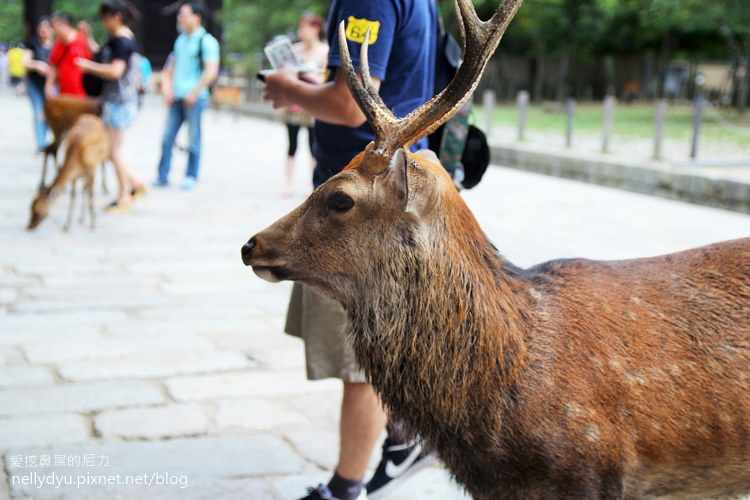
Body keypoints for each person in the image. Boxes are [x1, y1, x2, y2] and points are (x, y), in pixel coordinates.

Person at [263, 1, 438, 499]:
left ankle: (346, 488)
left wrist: (287, 88)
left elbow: (350, 104)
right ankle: (405, 434)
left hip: (361, 209)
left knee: (363, 359)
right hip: (394, 188)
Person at [75, 0, 148, 211]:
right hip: (118, 102)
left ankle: (125, 194)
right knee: (111, 150)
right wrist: (88, 38)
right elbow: (105, 55)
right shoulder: (121, 40)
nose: (103, 21)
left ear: (116, 16)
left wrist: (87, 66)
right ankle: (135, 184)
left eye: (105, 16)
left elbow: (115, 70)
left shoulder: (122, 41)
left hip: (119, 102)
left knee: (112, 151)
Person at [152, 1, 219, 190]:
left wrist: (194, 92)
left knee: (194, 139)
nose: (180, 18)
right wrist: (167, 90)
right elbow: (169, 68)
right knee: (167, 137)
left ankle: (191, 175)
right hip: (177, 97)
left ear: (197, 17)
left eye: (184, 14)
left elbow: (210, 72)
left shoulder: (207, 42)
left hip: (195, 99)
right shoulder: (180, 40)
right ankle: (162, 175)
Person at [278, 12, 328, 196]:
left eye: (304, 27)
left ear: (315, 28)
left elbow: (326, 78)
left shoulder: (324, 51)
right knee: (291, 145)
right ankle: (288, 183)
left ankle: (311, 184)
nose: (301, 31)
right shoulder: (294, 50)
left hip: (312, 106)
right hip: (294, 104)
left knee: (312, 146)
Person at [23, 17, 54, 151]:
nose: (43, 30)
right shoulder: (33, 44)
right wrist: (37, 65)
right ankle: (41, 144)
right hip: (35, 85)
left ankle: (52, 140)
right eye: (40, 27)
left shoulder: (57, 46)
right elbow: (25, 62)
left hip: (52, 85)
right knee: (38, 112)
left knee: (52, 113)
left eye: (46, 27)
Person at [45, 13, 91, 99]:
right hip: (63, 94)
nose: (53, 30)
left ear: (65, 25)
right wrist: (49, 85)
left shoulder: (83, 39)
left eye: (54, 26)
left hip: (83, 95)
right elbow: (54, 66)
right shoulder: (57, 45)